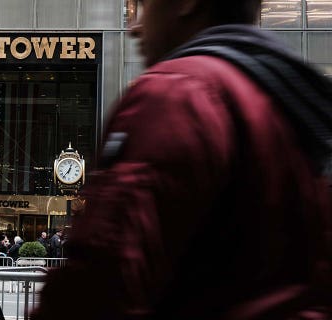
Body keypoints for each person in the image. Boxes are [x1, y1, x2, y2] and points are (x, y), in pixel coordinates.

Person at [32, 0, 332, 319]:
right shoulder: (294, 106)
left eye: (142, 4)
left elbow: (99, 281)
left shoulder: (176, 95)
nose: (133, 27)